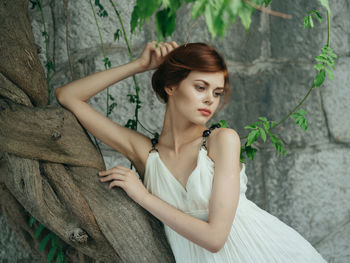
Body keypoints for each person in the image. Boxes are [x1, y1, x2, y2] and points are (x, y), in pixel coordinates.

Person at [55, 41, 328, 262]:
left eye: (217, 91)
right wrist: (139, 65)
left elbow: (214, 239)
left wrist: (142, 196)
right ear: (171, 86)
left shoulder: (222, 141)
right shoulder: (144, 153)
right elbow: (67, 96)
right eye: (200, 87)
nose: (210, 98)